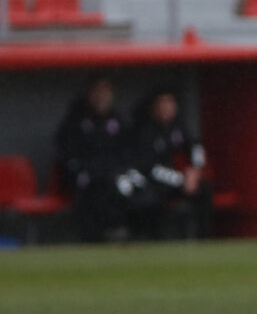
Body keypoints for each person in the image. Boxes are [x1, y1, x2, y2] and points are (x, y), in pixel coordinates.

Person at [55, 76, 136, 242]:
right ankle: (93, 237)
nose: (102, 97)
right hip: (84, 174)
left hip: (112, 174)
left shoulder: (117, 120)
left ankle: (120, 231)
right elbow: (66, 149)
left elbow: (126, 150)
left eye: (105, 92)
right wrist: (80, 169)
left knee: (123, 188)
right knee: (92, 190)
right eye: (98, 92)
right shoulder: (77, 119)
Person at [129, 87, 212, 239]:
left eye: (170, 103)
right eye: (163, 103)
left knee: (204, 190)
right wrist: (180, 180)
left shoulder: (177, 127)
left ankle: (204, 238)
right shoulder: (145, 130)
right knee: (150, 199)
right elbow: (148, 167)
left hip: (174, 180)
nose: (167, 107)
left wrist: (195, 171)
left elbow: (195, 147)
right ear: (154, 107)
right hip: (152, 180)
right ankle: (155, 241)